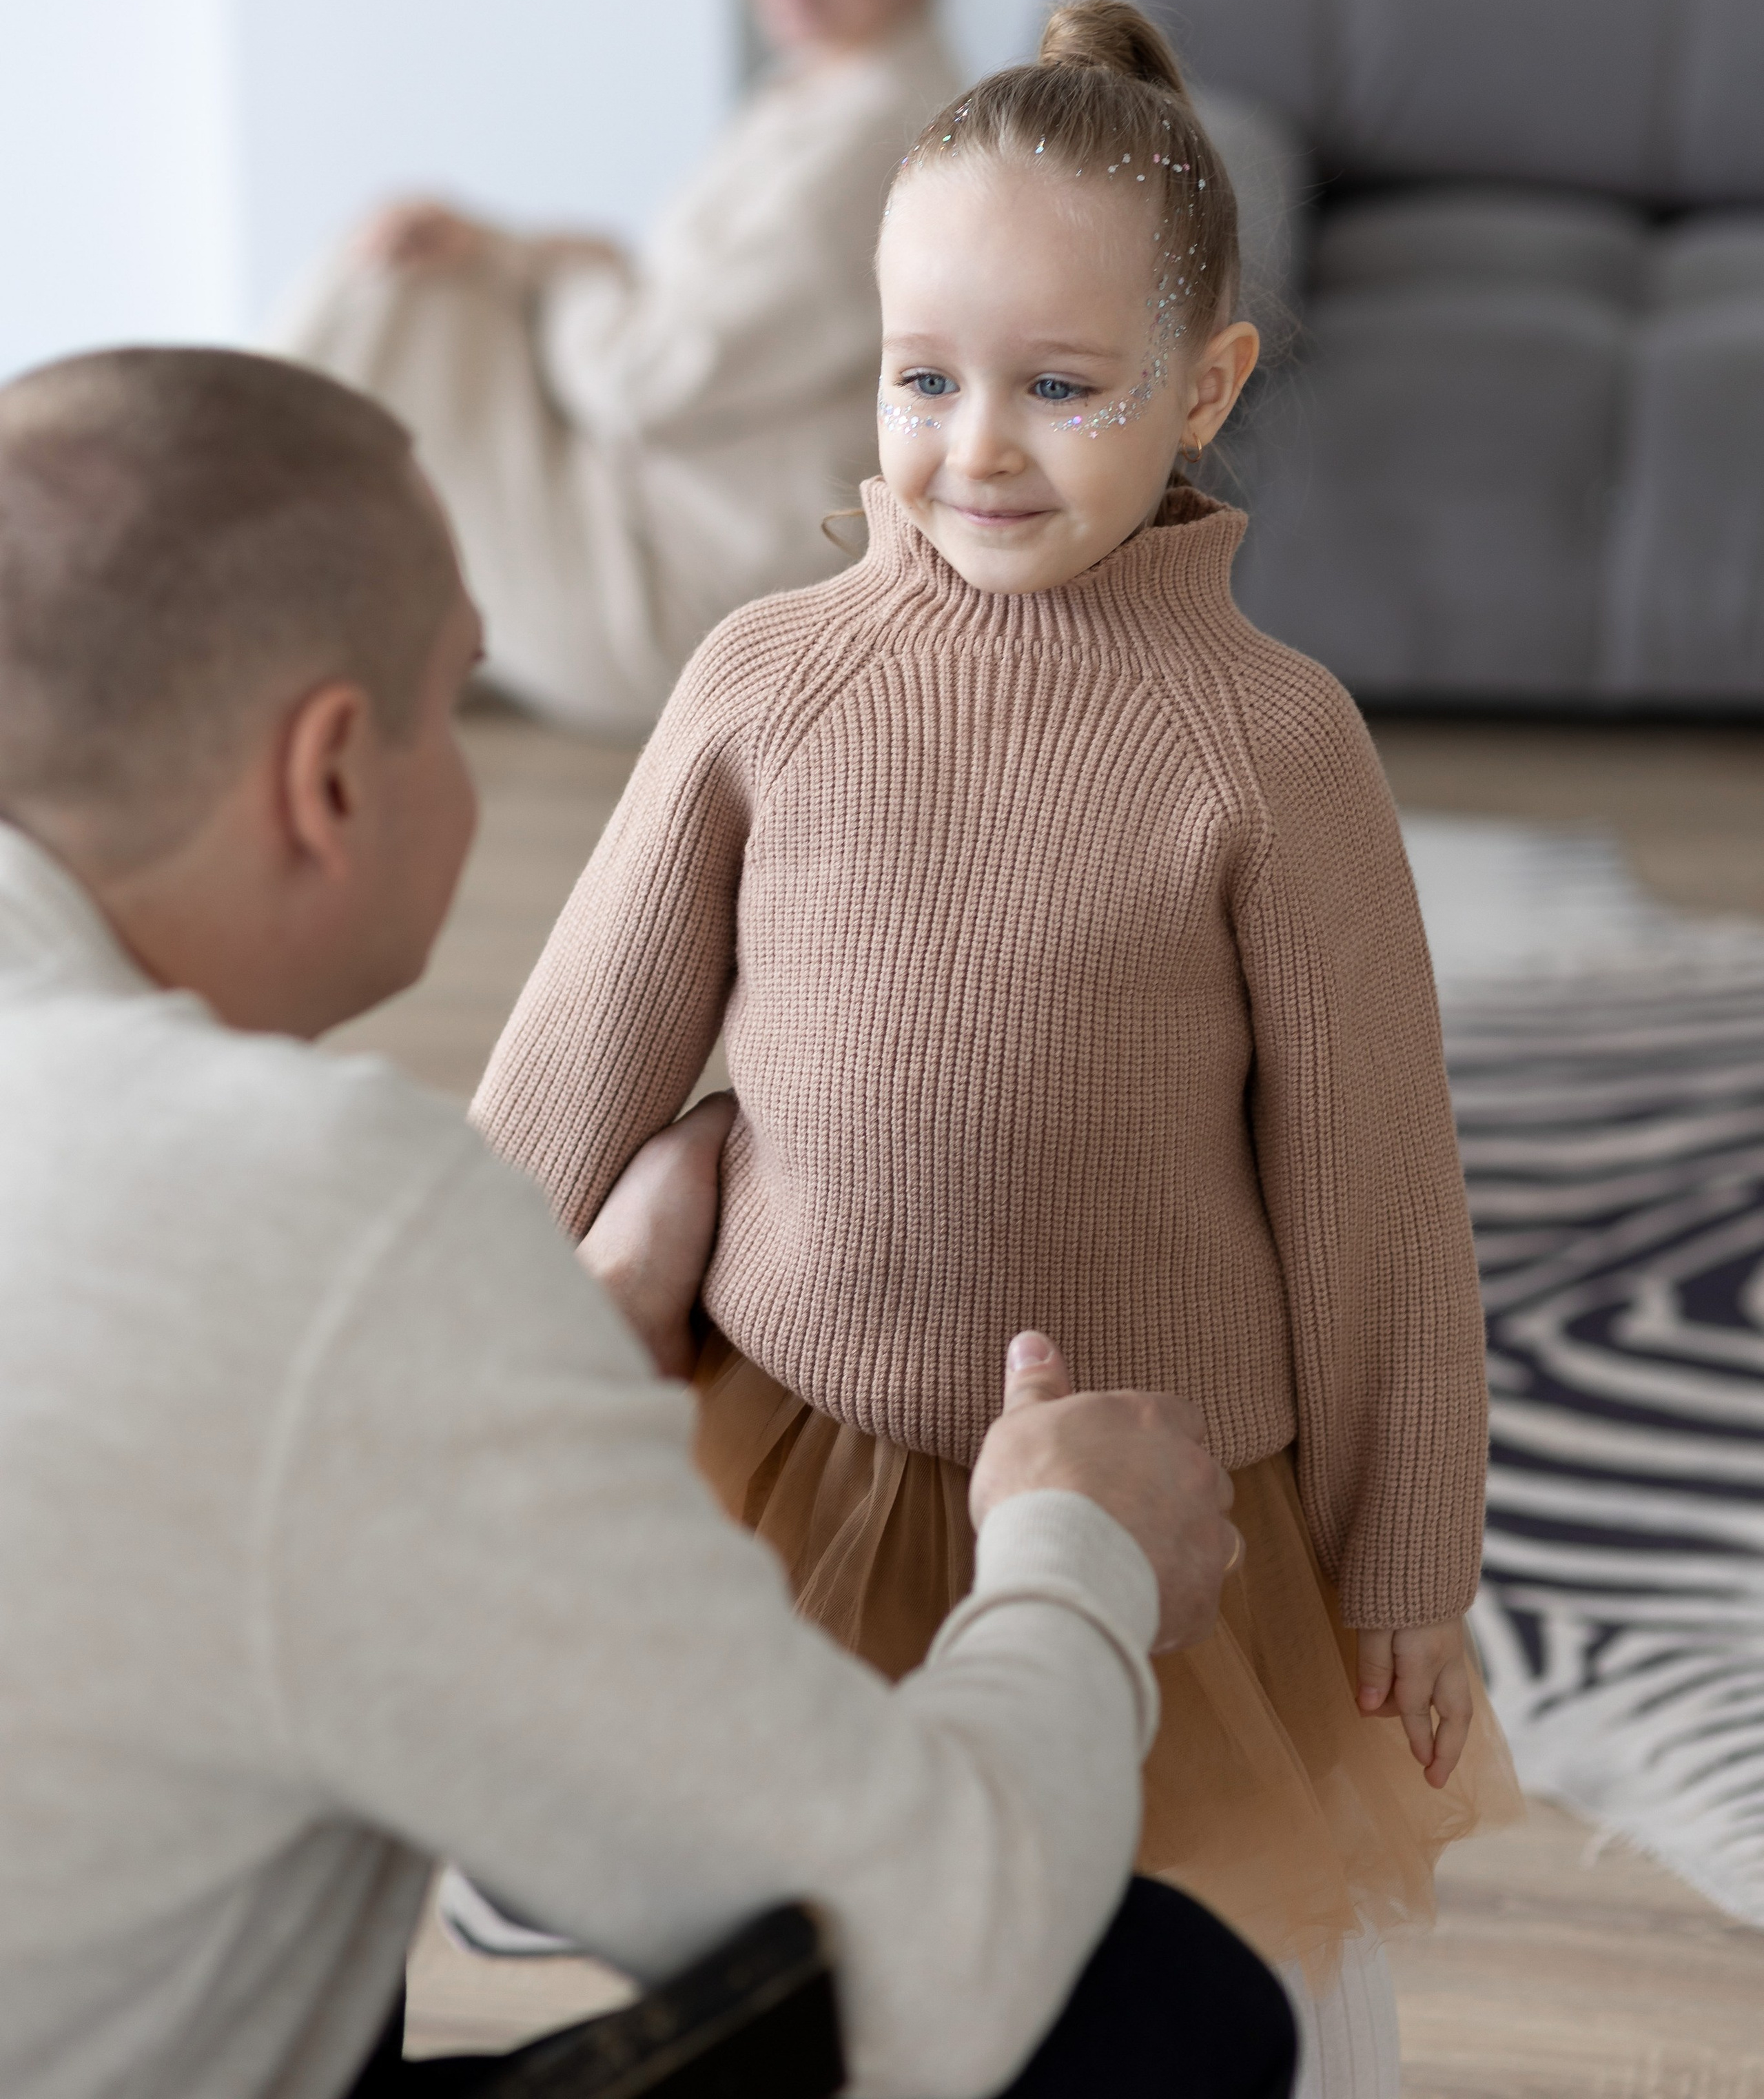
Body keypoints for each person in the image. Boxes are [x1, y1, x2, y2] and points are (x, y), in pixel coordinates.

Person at [0, 345, 1296, 2099]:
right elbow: (938, 1953)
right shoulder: (311, 1220)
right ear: (332, 777)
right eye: (460, 696)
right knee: (1160, 2009)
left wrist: (530, 1355)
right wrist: (1080, 1556)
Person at [473, 0, 1526, 2099]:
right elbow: (579, 1044)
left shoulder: (1272, 744)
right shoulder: (766, 678)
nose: (974, 446)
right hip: (801, 1449)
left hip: (1167, 1505)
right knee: (837, 1945)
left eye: (1059, 387)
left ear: (1203, 386)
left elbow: (1374, 1187)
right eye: (921, 378)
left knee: (1224, 1956)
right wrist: (429, 1343)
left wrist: (1407, 1550)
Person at [264, 0, 963, 738]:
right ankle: (211, 528)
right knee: (422, 262)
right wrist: (541, 257)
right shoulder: (819, 94)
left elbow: (640, 377)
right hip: (648, 503)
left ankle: (186, 529)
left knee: (407, 287)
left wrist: (559, 264)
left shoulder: (876, 138)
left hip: (673, 584)